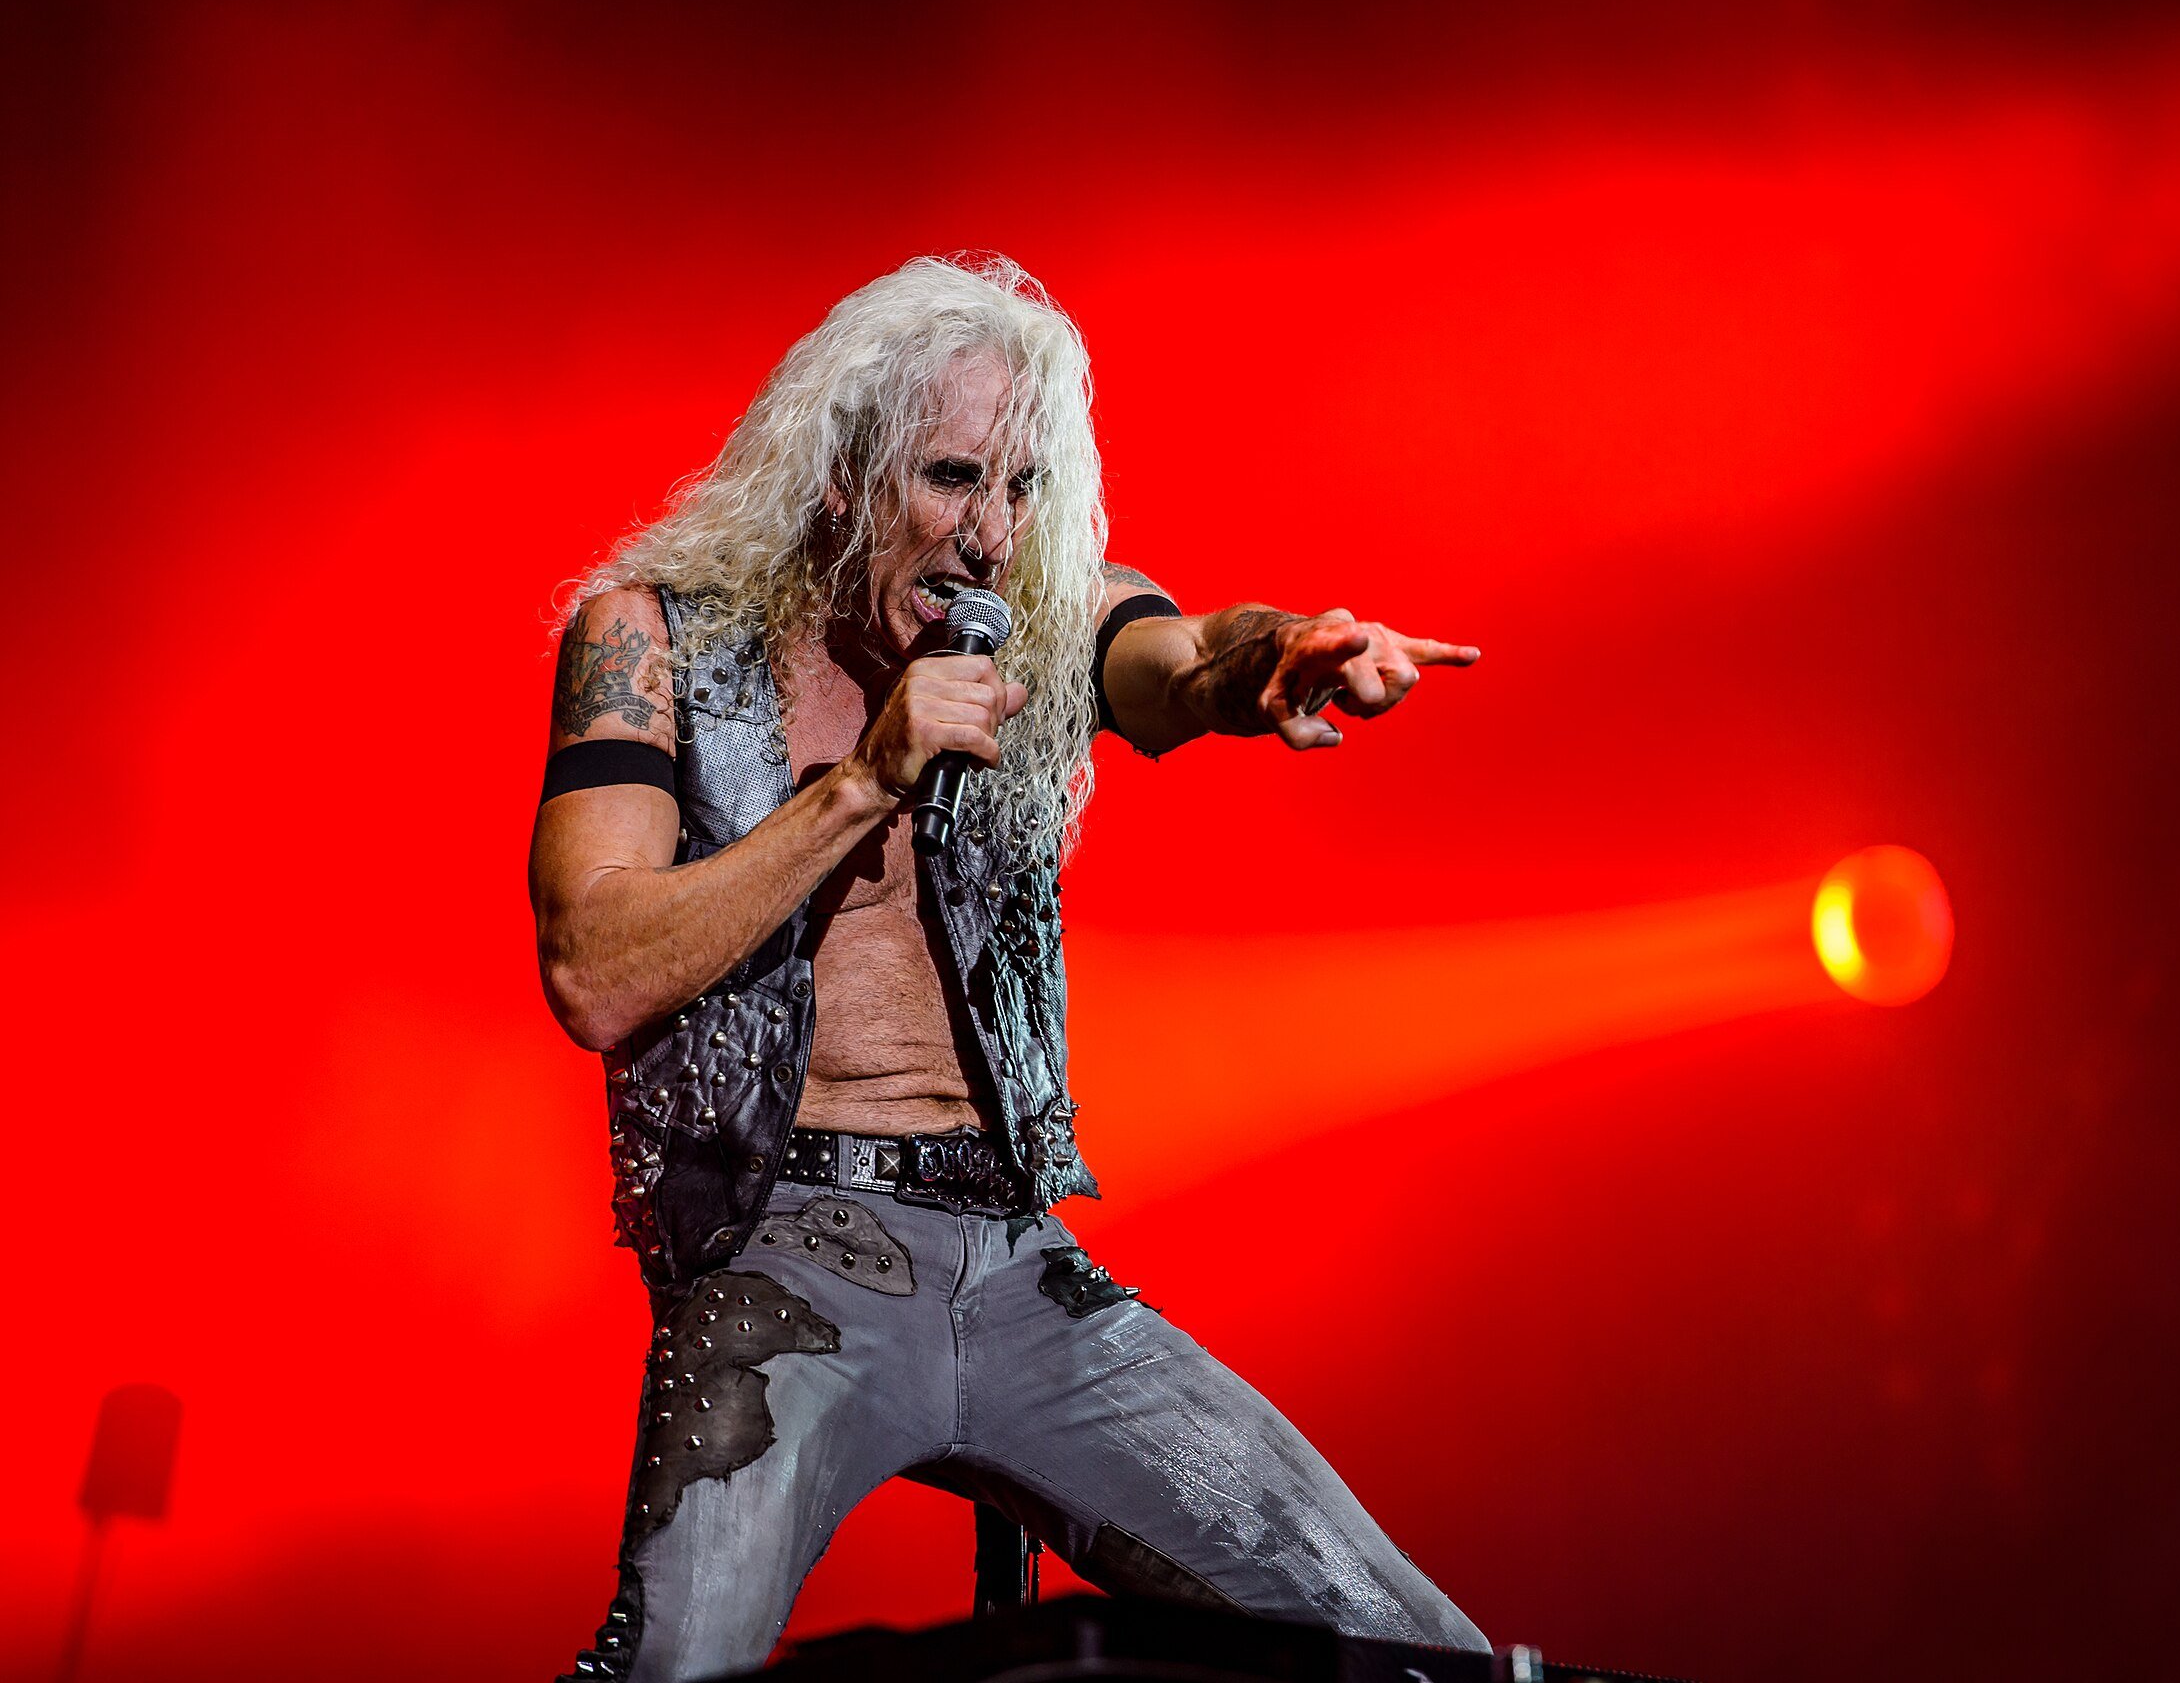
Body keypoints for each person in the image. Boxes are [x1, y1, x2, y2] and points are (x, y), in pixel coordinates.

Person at [532, 255, 1484, 1680]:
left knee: (1412, 1647)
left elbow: (1182, 658)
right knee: (674, 1666)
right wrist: (864, 783)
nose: (990, 538)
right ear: (842, 475)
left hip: (1020, 1262)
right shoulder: (659, 639)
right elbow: (594, 970)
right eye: (953, 479)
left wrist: (1277, 656)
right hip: (785, 1253)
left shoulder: (1040, 628)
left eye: (1022, 491)